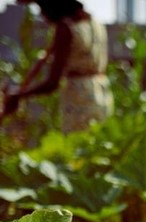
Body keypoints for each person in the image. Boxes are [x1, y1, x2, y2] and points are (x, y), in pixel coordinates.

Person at [1, 0, 113, 133]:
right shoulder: (94, 22)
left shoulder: (65, 29)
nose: (41, 14)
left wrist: (18, 94)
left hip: (79, 99)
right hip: (101, 93)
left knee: (77, 146)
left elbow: (52, 83)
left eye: (41, 7)